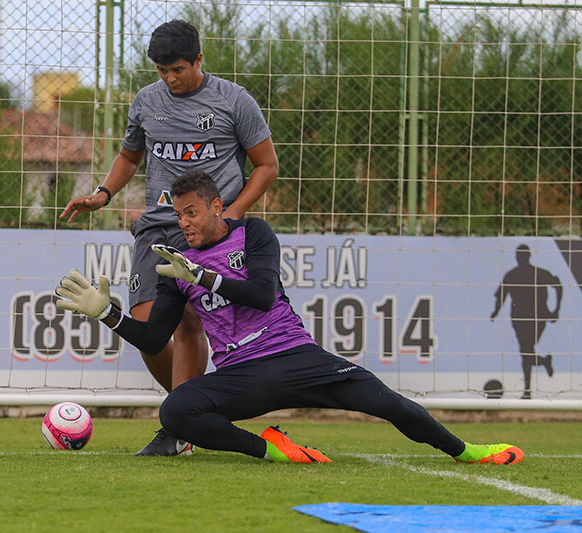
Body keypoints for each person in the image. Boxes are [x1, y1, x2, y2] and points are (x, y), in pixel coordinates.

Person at [55, 170, 524, 465]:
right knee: (176, 411)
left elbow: (261, 295)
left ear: (217, 207)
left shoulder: (253, 233)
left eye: (193, 213)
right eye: (179, 216)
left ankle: (468, 451)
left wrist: (203, 277)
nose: (185, 224)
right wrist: (108, 314)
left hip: (298, 357)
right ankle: (272, 450)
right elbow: (156, 335)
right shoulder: (174, 262)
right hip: (243, 376)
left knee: (390, 404)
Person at [60, 20, 279, 455]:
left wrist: (232, 214)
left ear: (199, 60)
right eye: (162, 71)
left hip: (205, 232)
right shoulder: (146, 101)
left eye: (178, 69)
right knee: (147, 329)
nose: (170, 78)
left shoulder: (234, 101)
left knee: (189, 320)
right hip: (157, 226)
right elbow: (129, 154)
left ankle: (179, 429)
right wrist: (103, 194)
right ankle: (193, 412)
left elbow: (267, 165)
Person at [491, 244, 561, 399]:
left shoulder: (539, 273)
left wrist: (556, 309)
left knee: (526, 351)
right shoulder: (512, 275)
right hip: (519, 319)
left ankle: (528, 390)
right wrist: (495, 312)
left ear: (527, 257)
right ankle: (543, 363)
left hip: (537, 317)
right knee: (526, 351)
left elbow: (558, 284)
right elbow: (501, 295)